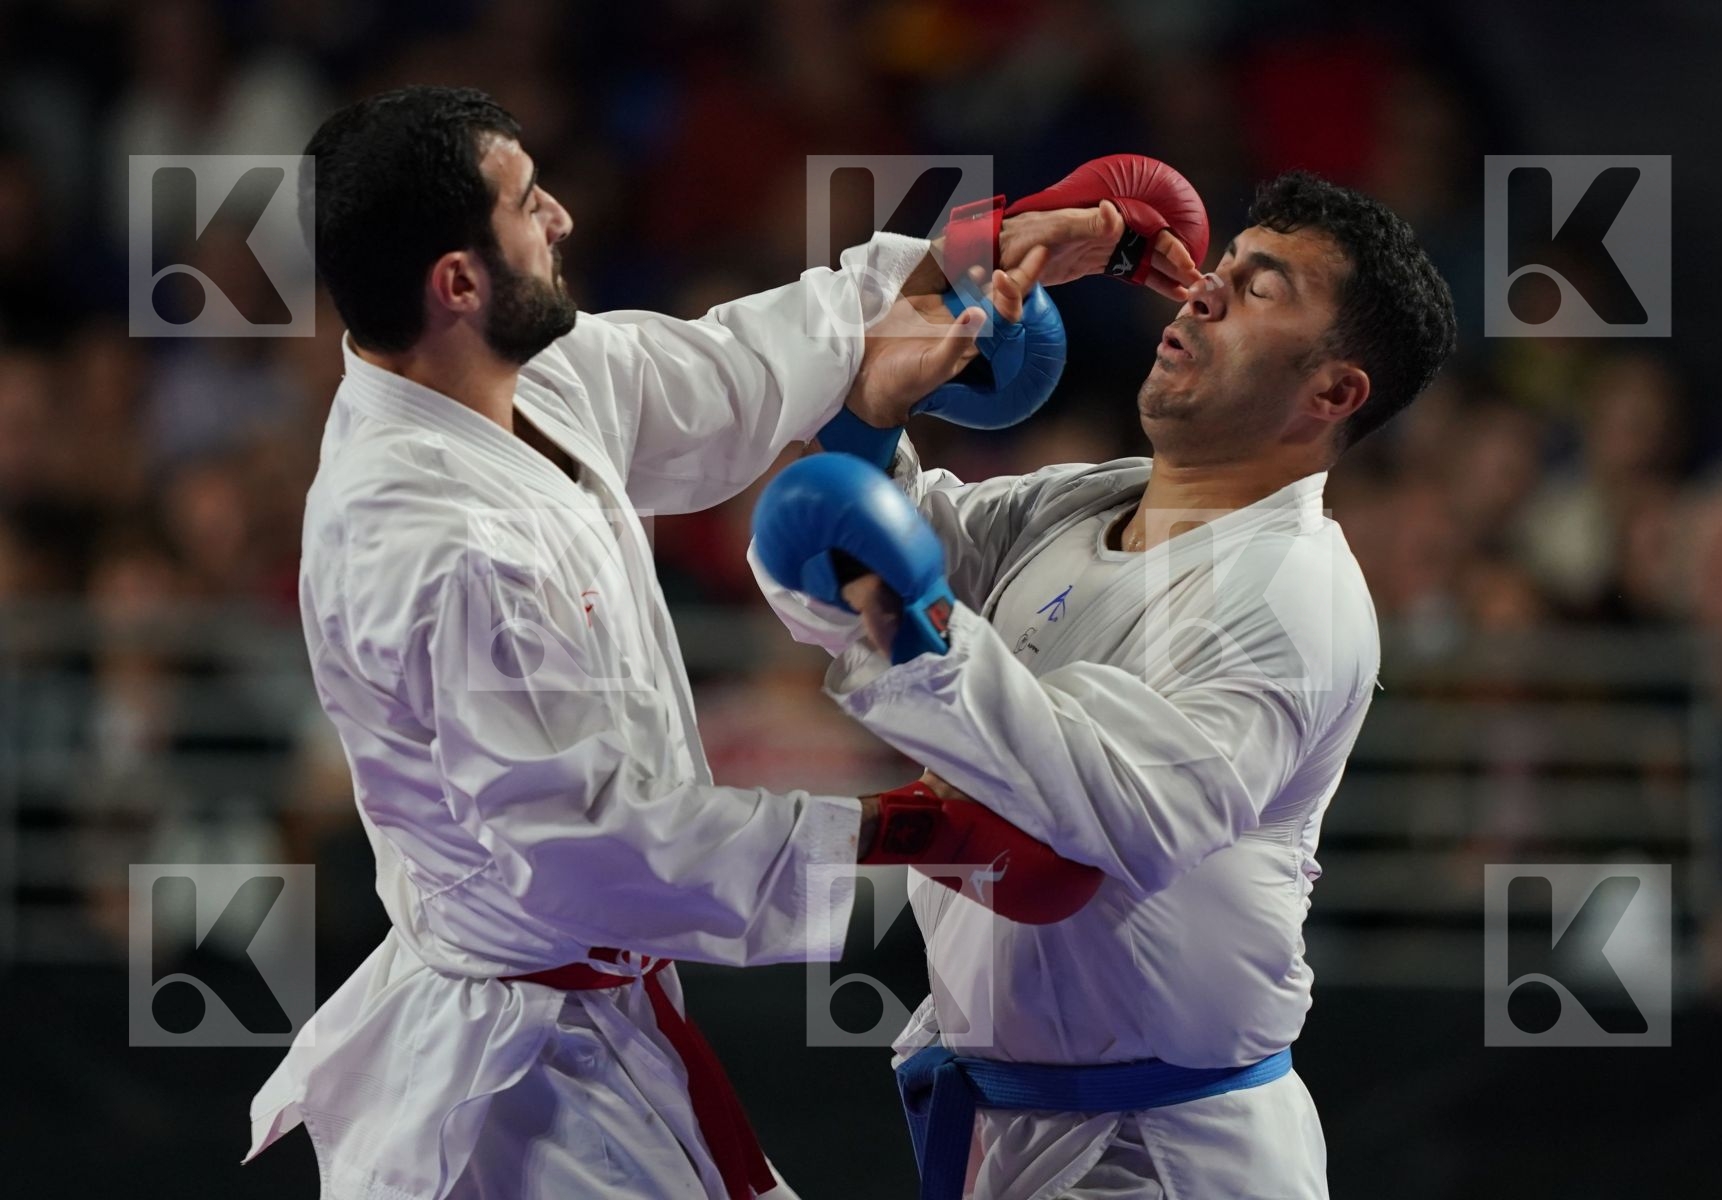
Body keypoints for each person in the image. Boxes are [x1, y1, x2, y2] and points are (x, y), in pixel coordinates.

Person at [243, 86, 1191, 1200]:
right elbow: (588, 847)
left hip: (592, 1019)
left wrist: (975, 250)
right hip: (518, 1090)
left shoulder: (511, 373)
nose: (562, 218)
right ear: (458, 283)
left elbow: (730, 369)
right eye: (528, 204)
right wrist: (904, 831)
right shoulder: (433, 542)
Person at [753, 171, 1457, 1199]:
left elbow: (1121, 817)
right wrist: (872, 411)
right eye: (1221, 267)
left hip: (1165, 1151)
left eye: (1259, 289)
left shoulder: (1293, 595)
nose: (1203, 292)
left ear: (1333, 392)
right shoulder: (1086, 503)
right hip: (1015, 1122)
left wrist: (915, 626)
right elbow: (836, 567)